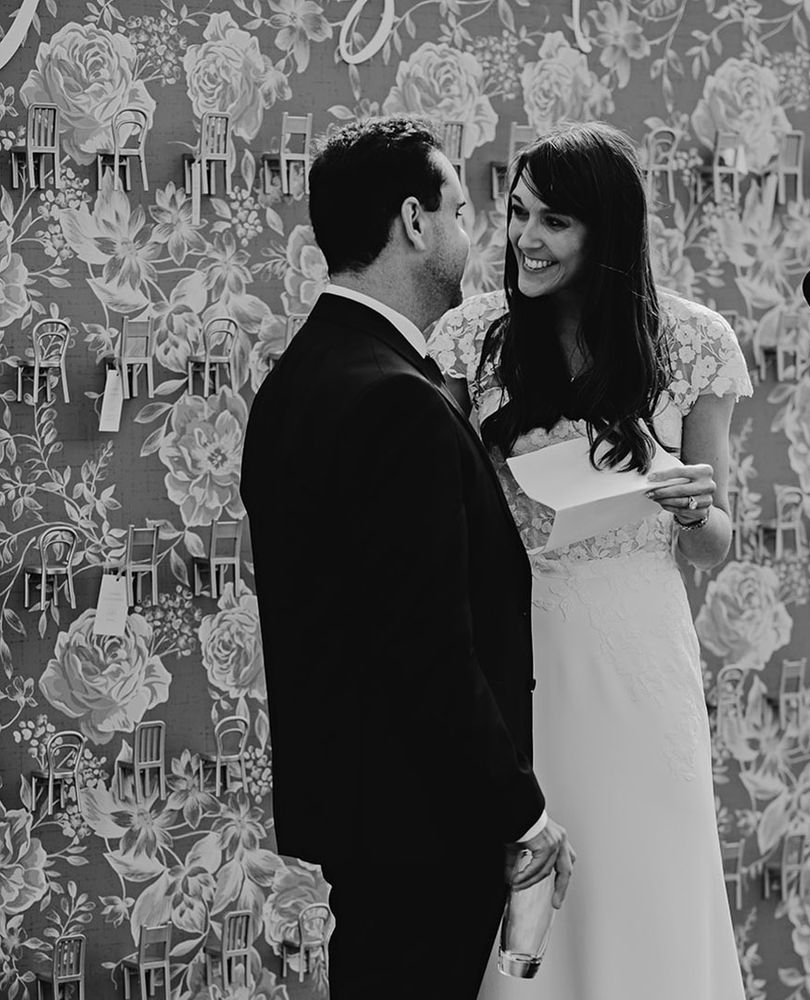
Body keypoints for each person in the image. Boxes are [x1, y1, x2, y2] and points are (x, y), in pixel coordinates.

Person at [239, 116, 574, 1000]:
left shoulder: (298, 381)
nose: (476, 239)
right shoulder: (398, 402)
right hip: (423, 827)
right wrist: (524, 817)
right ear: (415, 222)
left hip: (360, 820)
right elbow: (429, 649)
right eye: (462, 210)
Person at [426, 121, 752, 1000]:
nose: (526, 239)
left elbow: (719, 540)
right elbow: (436, 512)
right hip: (522, 652)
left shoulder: (693, 341)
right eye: (520, 213)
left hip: (644, 659)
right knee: (536, 891)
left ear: (607, 230)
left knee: (650, 883)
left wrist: (696, 508)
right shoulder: (473, 339)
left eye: (555, 222)